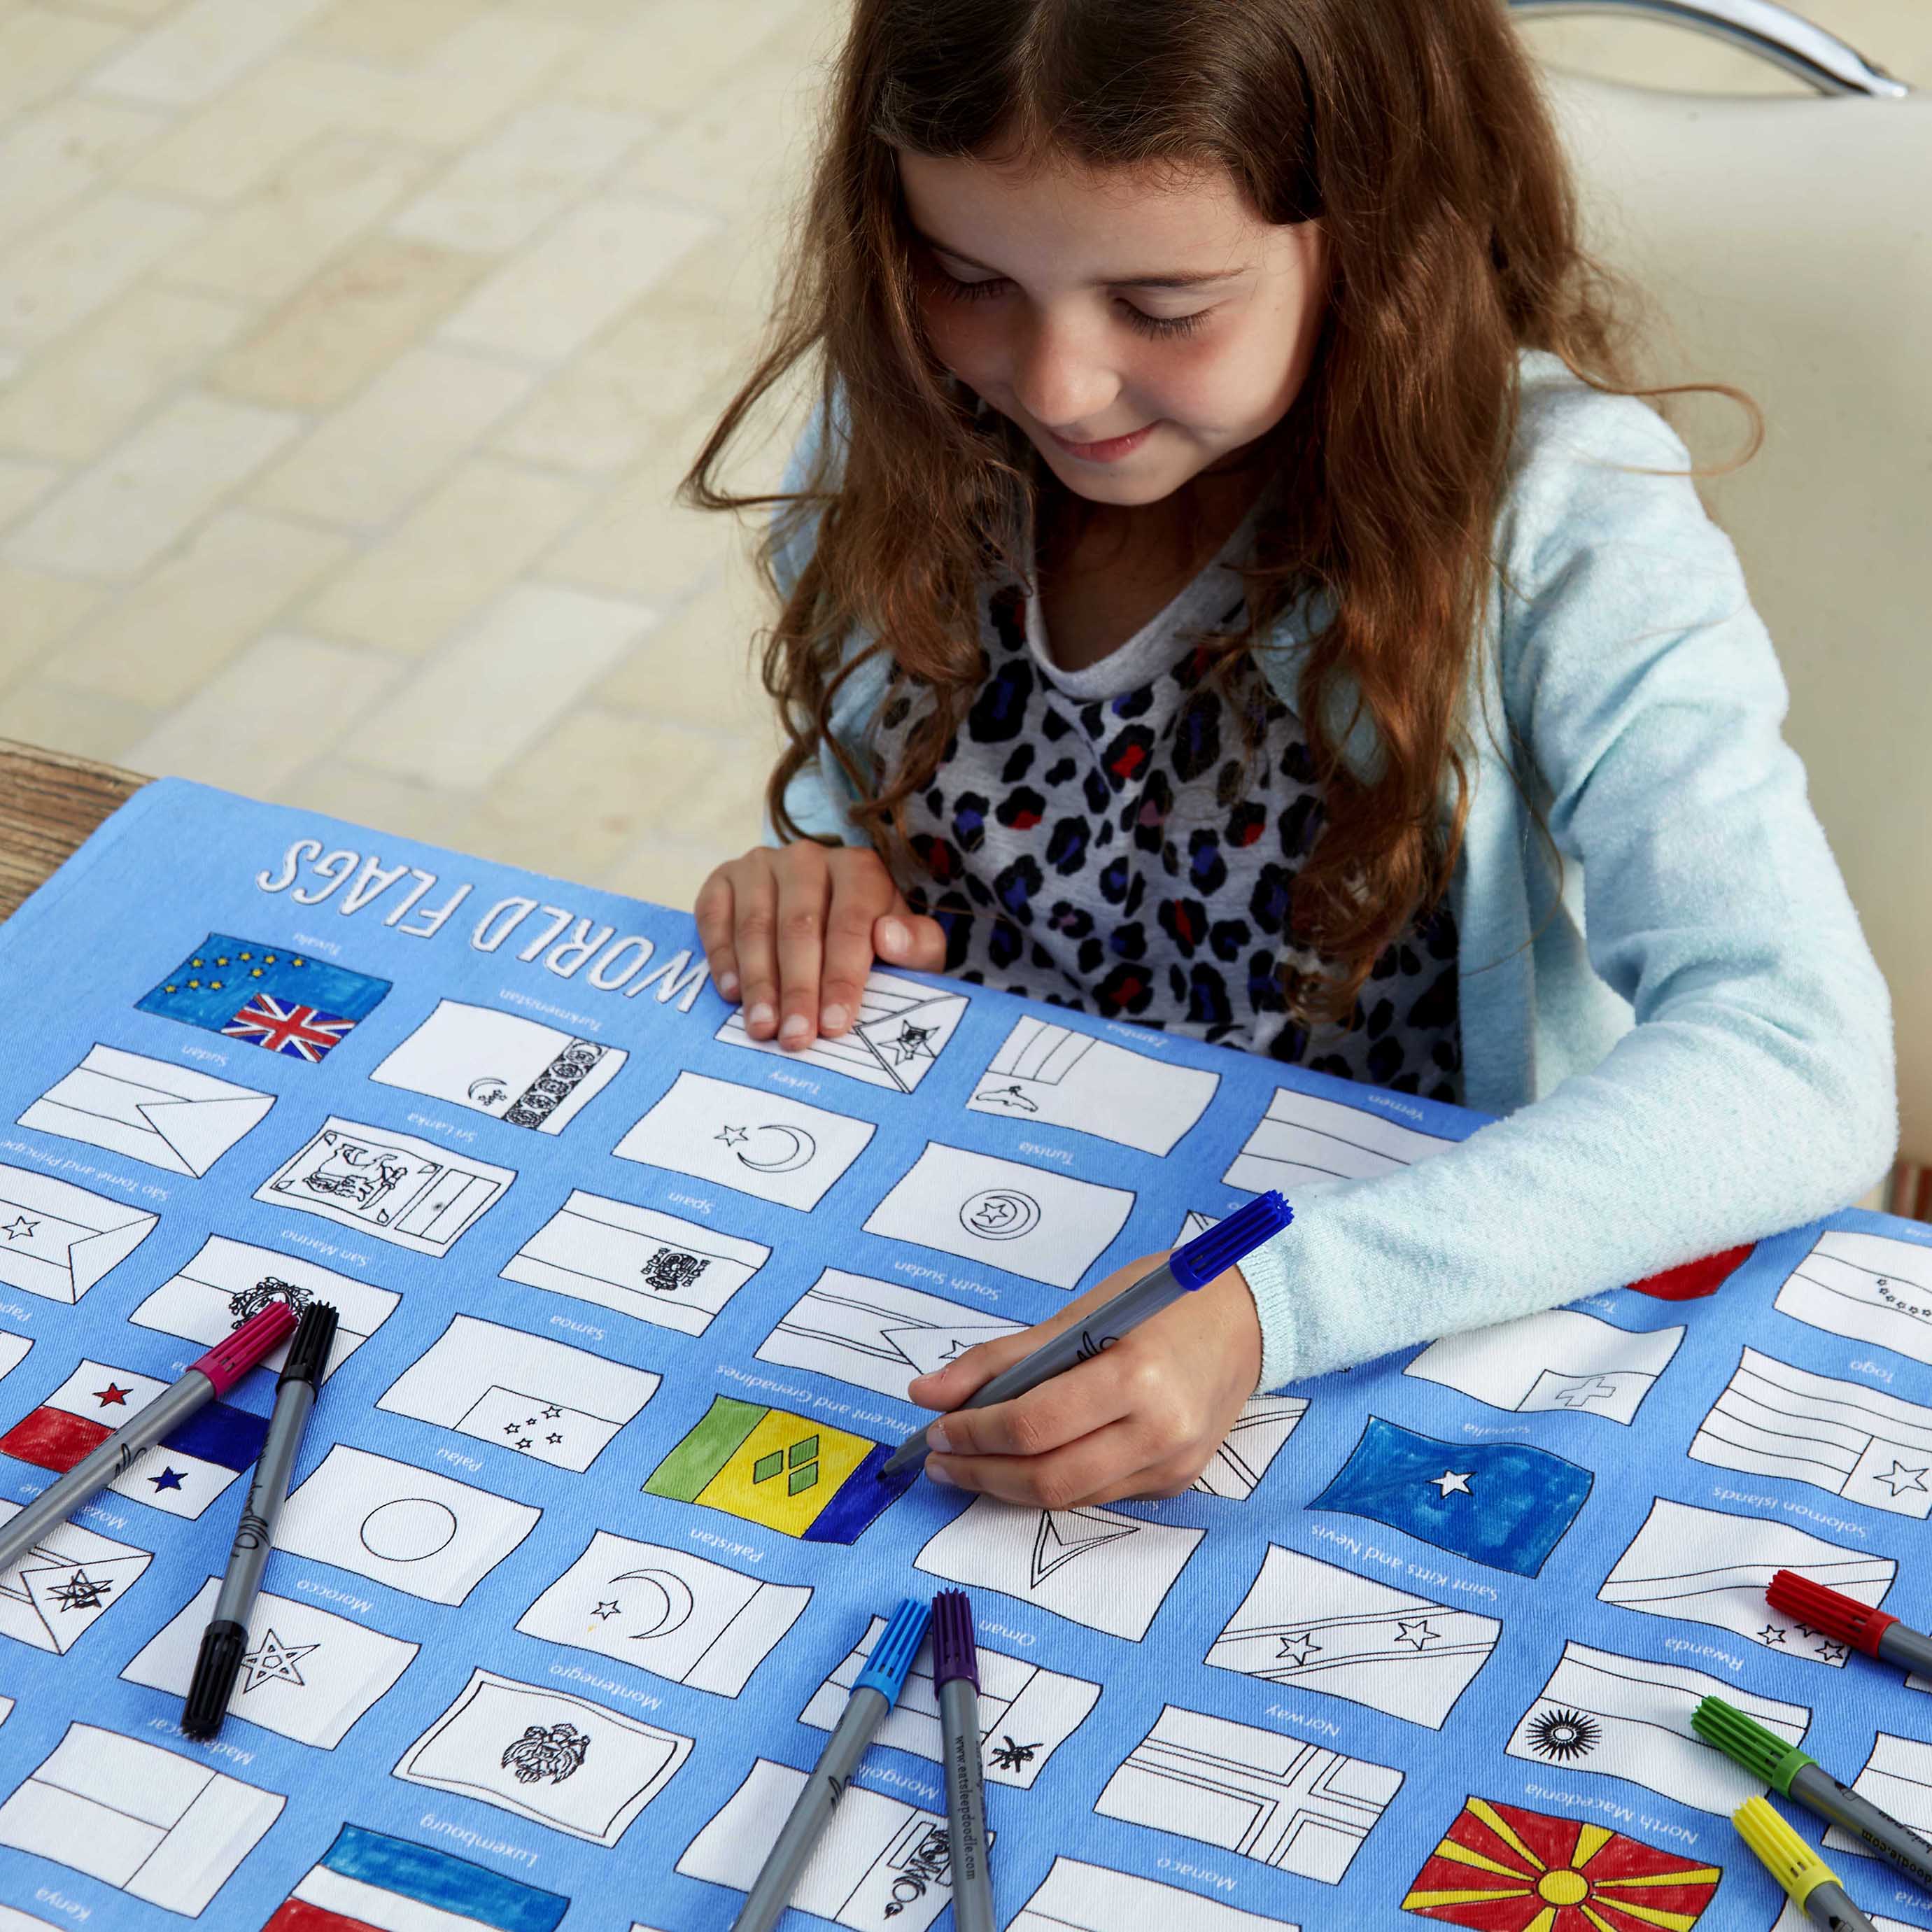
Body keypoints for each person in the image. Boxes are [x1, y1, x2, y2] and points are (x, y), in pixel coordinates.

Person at [684, 0, 1896, 1509]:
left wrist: (1275, 1308)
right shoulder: (912, 436)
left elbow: (1799, 1054)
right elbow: (856, 797)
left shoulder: (1564, 519)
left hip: (1383, 1328)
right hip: (966, 1254)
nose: (1055, 385)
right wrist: (816, 865)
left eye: (1165, 304)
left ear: (1377, 234)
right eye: (969, 274)